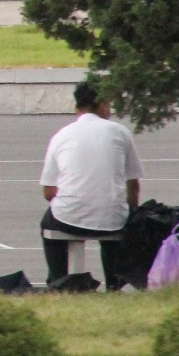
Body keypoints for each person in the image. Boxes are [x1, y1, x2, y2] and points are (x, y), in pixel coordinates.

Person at [39, 82, 143, 288]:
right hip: (112, 217)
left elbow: (48, 191)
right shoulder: (120, 132)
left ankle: (58, 280)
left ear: (77, 108)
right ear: (103, 105)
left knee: (47, 225)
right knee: (113, 225)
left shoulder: (61, 135)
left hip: (68, 216)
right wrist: (131, 211)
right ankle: (114, 283)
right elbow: (133, 185)